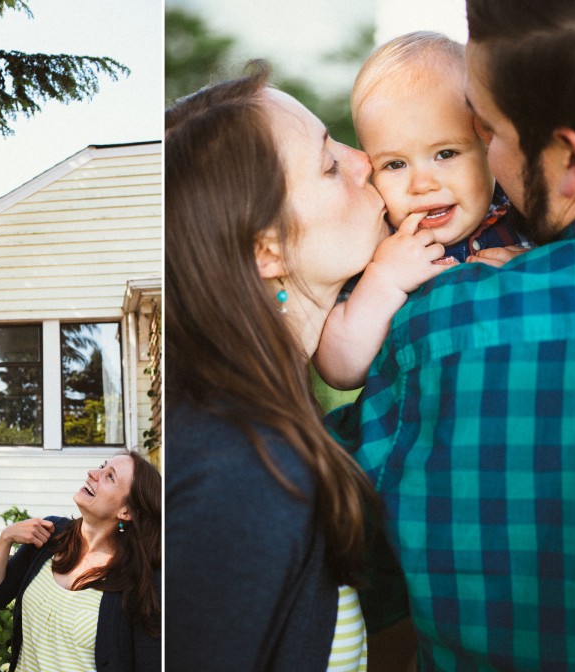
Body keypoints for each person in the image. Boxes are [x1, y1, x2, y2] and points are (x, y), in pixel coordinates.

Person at [326, 1, 575, 668]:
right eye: (393, 164)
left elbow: (328, 513)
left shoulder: (450, 324)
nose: (424, 181)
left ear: (570, 158)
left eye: (483, 135)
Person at [165, 63, 443, 671]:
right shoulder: (232, 472)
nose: (366, 160)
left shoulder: (265, 431)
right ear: (268, 250)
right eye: (328, 164)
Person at [314, 30, 532, 391]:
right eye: (395, 164)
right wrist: (384, 281)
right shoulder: (382, 247)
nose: (421, 184)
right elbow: (340, 369)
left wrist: (531, 267)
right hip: (428, 423)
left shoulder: (523, 217)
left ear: (489, 146)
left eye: (445, 154)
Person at [0, 452, 161, 671]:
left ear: (126, 511)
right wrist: (5, 538)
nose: (93, 473)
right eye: (101, 466)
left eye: (110, 476)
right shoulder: (51, 536)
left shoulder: (140, 581)